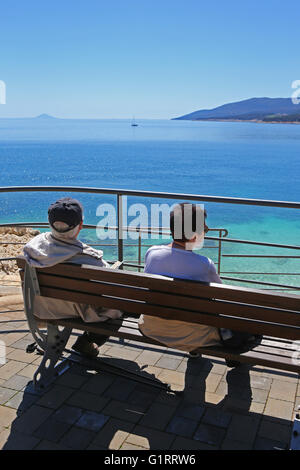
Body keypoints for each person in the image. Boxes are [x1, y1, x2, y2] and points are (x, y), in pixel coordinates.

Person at [138, 203, 258, 357]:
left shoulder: (152, 253)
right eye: (204, 230)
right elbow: (223, 298)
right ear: (195, 235)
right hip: (192, 336)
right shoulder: (204, 265)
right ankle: (233, 358)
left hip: (151, 327)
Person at [23, 197, 122, 357]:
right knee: (116, 311)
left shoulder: (33, 249)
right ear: (80, 226)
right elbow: (107, 288)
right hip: (76, 311)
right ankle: (86, 342)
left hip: (43, 308)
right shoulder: (89, 259)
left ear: (50, 223)